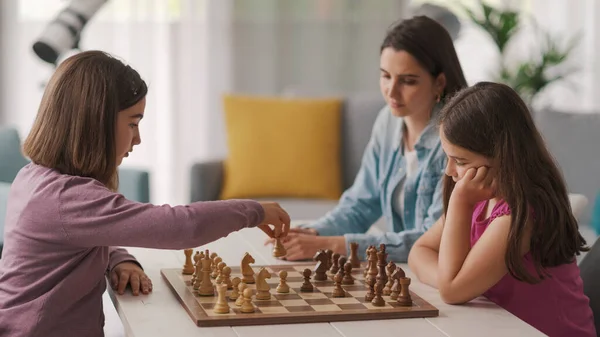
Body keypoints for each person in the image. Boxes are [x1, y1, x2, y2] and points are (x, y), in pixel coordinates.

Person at [0, 51, 290, 337]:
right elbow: (181, 227)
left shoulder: (35, 178)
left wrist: (119, 258)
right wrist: (253, 210)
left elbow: (84, 234)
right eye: (133, 123)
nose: (137, 139)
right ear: (96, 121)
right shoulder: (66, 197)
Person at [266, 16, 468, 262]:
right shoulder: (388, 121)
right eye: (385, 76)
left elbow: (431, 240)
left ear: (439, 83)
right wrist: (314, 232)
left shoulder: (456, 141)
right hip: (404, 268)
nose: (391, 92)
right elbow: (361, 204)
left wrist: (331, 244)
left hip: (439, 270)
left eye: (408, 81)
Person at [408, 82, 596, 336]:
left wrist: (459, 203)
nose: (449, 170)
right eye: (447, 157)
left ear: (502, 156)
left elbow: (451, 290)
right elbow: (420, 251)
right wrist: (446, 278)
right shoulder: (481, 196)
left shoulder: (521, 214)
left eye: (460, 161)